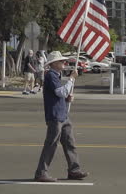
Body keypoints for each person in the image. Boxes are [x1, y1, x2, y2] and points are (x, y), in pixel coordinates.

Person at [34, 51, 88, 182]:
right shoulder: (51, 75)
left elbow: (60, 95)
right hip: (55, 116)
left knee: (70, 143)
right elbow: (61, 92)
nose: (64, 63)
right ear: (53, 64)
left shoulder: (56, 76)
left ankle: (74, 170)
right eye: (61, 61)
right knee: (51, 144)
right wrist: (71, 79)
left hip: (63, 115)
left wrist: (67, 99)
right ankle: (41, 172)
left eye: (63, 61)